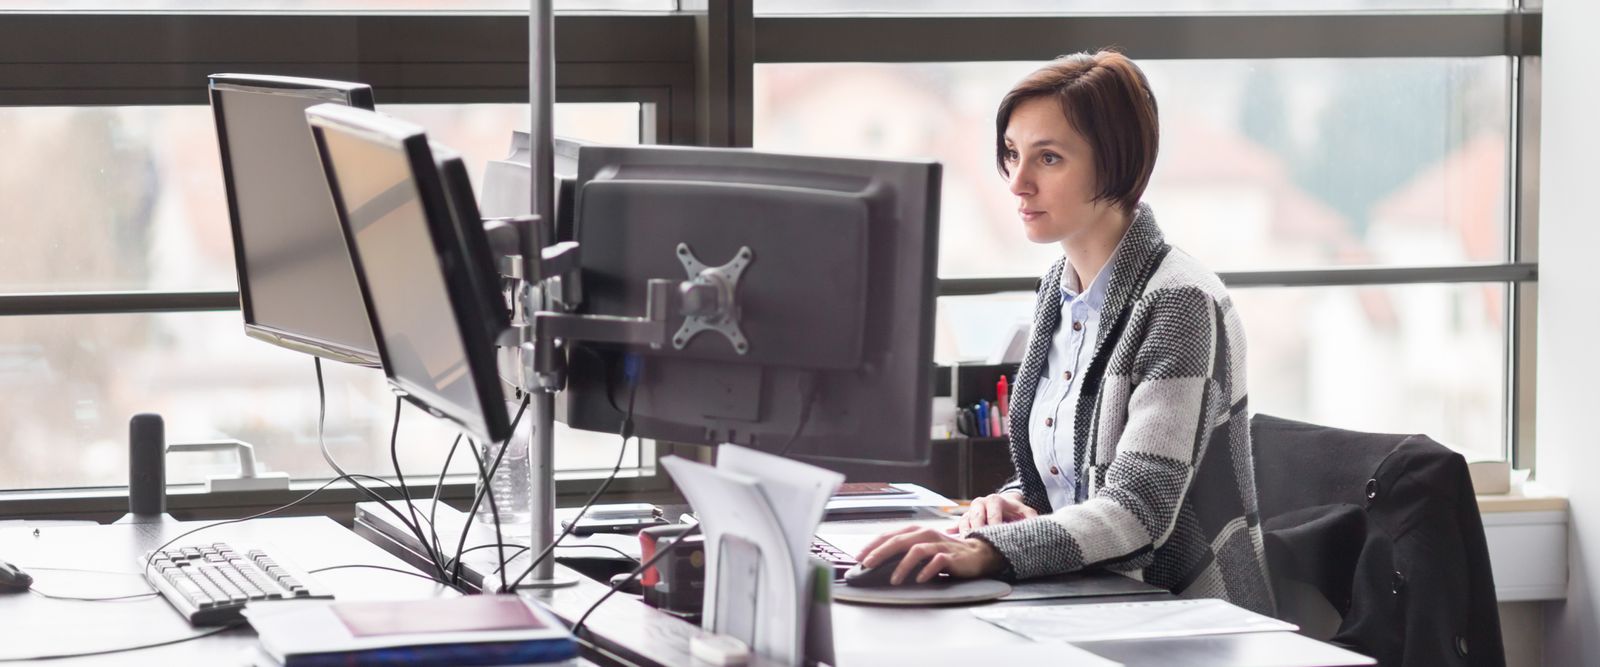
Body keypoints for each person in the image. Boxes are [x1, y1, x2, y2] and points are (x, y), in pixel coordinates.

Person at [854, 50, 1274, 615]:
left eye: (1048, 158)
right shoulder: (1060, 286)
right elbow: (1057, 481)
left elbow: (1139, 510)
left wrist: (988, 550)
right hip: (1083, 595)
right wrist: (1007, 505)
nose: (1017, 183)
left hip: (1181, 614)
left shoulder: (1180, 303)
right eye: (1012, 154)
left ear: (1116, 165)